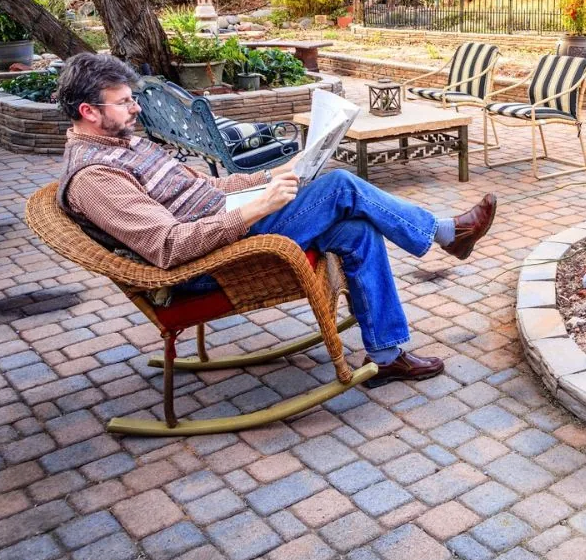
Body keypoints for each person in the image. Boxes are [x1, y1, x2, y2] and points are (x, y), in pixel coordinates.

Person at [54, 52, 496, 386]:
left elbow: (205, 192)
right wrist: (256, 208)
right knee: (340, 186)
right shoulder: (96, 178)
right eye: (124, 103)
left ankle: (385, 353)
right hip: (208, 265)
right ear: (88, 112)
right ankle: (445, 233)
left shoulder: (124, 145)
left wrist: (277, 174)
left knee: (357, 228)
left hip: (225, 228)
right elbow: (168, 247)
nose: (135, 109)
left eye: (133, 100)